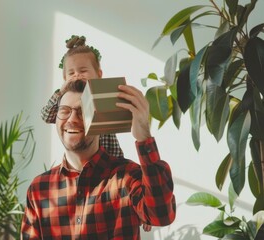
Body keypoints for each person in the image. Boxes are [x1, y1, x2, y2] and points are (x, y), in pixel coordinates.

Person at [21, 80, 176, 239]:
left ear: (97, 120)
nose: (72, 119)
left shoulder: (127, 176)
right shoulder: (39, 189)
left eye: (82, 111)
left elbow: (161, 214)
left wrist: (144, 137)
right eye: (64, 111)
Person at [40, 35, 152, 232]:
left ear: (99, 74)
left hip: (110, 170)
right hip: (78, 170)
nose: (77, 76)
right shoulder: (65, 100)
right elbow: (46, 115)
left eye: (83, 71)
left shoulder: (103, 97)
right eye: (71, 73)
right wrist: (62, 91)